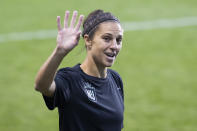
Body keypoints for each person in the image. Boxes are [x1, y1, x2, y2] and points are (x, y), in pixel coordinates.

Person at [35, 9, 124, 131]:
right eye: (107, 38)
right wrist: (60, 52)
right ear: (88, 40)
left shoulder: (115, 79)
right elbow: (41, 86)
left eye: (118, 40)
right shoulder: (70, 80)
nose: (114, 46)